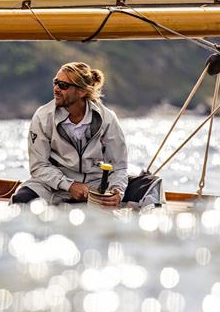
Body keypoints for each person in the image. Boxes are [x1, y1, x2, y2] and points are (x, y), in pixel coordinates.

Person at [12, 62, 162, 208]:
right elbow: (38, 166)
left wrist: (117, 191)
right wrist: (69, 185)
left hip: (97, 187)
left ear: (81, 92)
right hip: (54, 187)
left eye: (63, 85)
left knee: (152, 185)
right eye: (55, 82)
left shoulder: (107, 119)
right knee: (21, 198)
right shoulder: (42, 116)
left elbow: (118, 167)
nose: (56, 88)